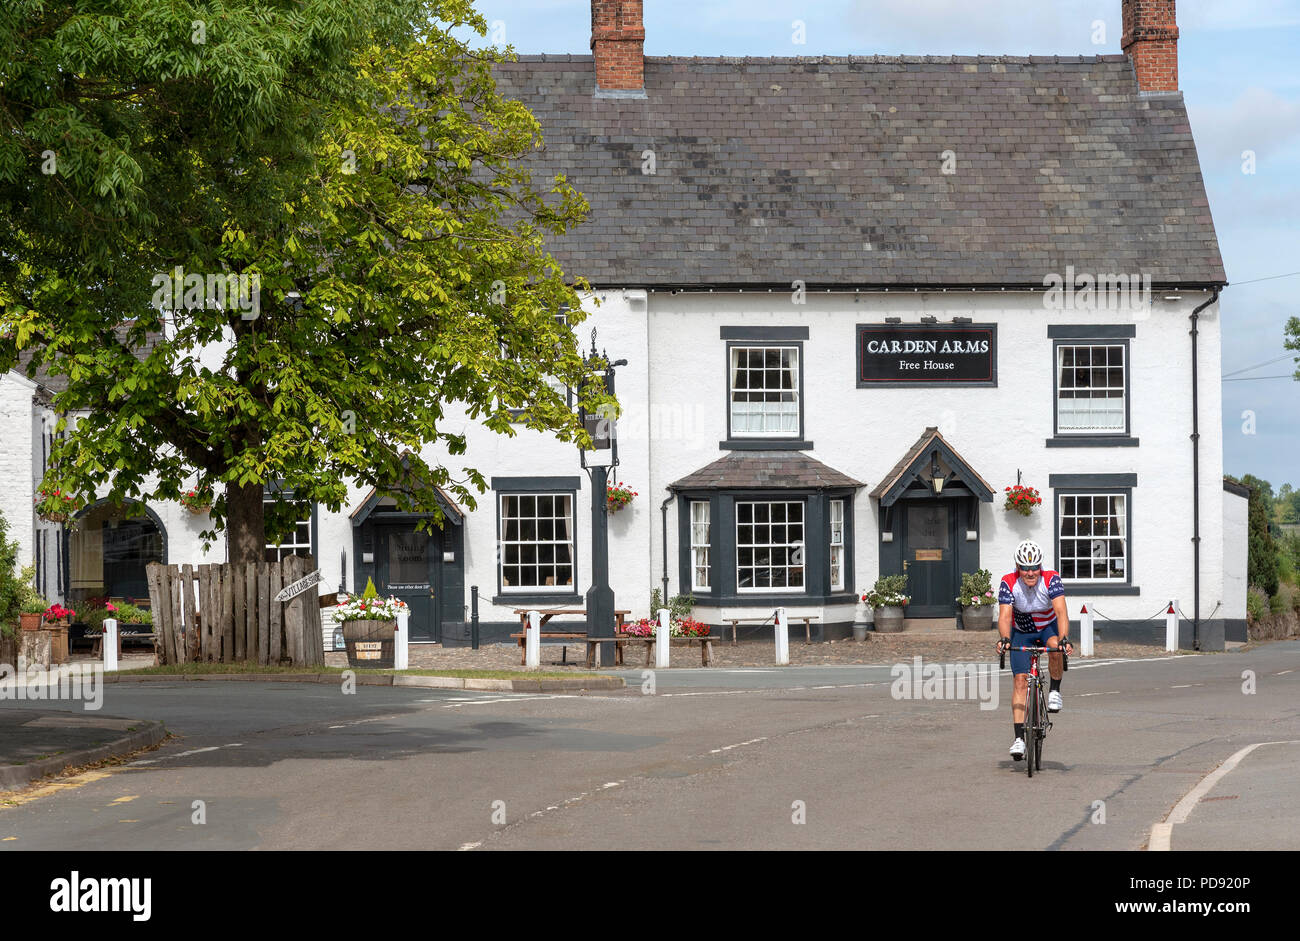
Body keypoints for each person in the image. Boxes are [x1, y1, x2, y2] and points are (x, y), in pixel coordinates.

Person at [995, 540, 1073, 761]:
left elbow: (1061, 612)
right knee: (1020, 680)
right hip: (1022, 631)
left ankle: (1055, 690)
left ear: (1041, 566)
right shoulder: (1008, 582)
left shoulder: (1051, 579)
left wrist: (1064, 638)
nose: (1030, 573)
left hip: (1048, 627)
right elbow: (1004, 616)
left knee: (1055, 647)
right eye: (1025, 568)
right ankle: (1019, 738)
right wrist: (1005, 638)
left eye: (1034, 567)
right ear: (1017, 567)